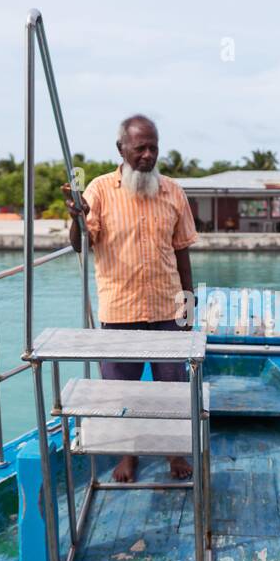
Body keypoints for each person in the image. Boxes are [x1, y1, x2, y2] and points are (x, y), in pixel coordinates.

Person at [67, 114, 199, 483]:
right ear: (121, 149)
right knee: (119, 392)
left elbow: (183, 250)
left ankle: (174, 452)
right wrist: (75, 218)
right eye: (140, 147)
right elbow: (80, 243)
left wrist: (189, 302)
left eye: (153, 147)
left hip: (166, 307)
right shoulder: (99, 190)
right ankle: (128, 454)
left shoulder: (173, 191)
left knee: (171, 388)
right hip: (119, 309)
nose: (147, 154)